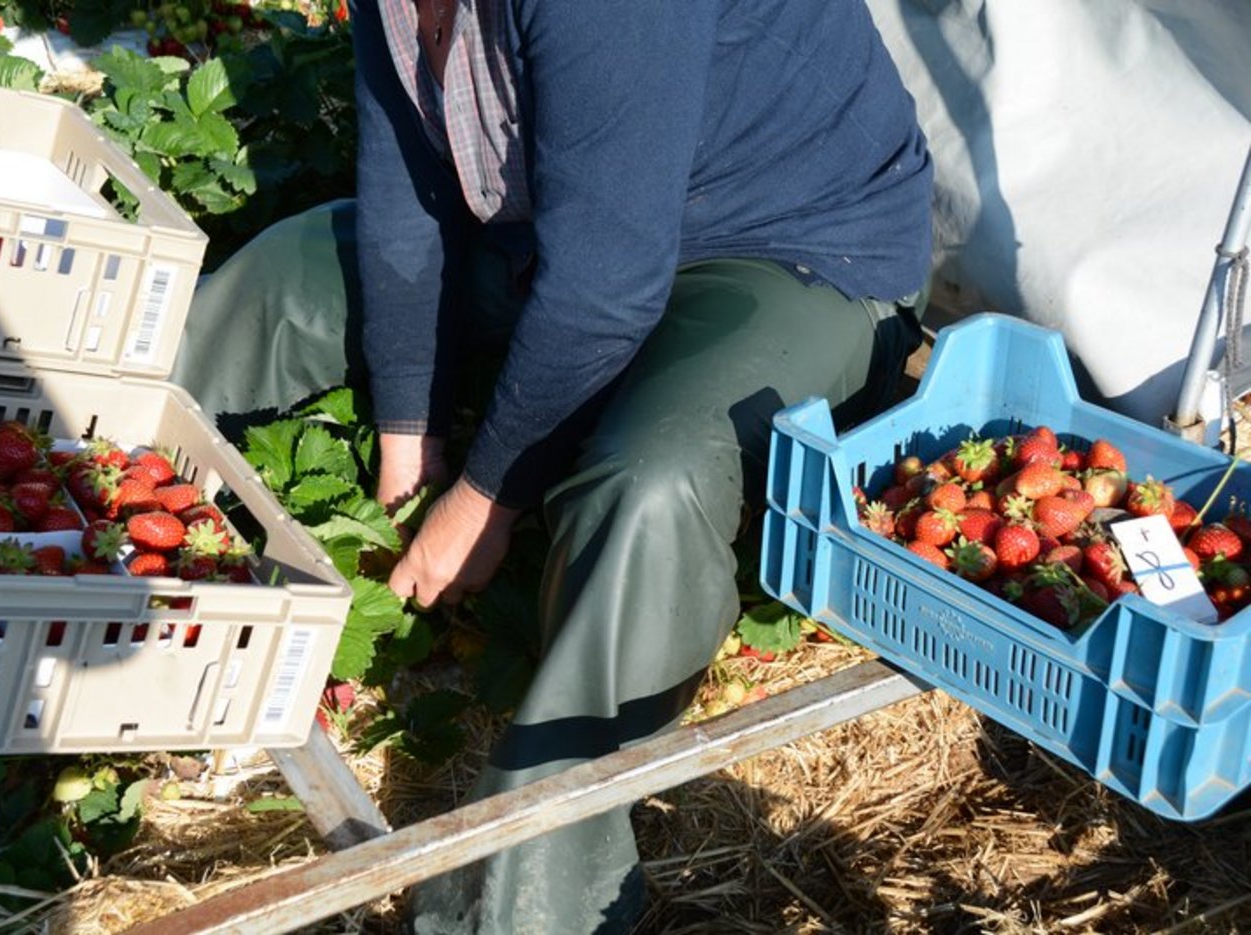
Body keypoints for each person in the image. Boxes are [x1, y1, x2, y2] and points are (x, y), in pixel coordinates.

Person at [172, 0, 933, 930]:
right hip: (569, 227)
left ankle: (525, 897)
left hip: (788, 248)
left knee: (651, 483)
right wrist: (412, 450)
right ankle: (119, 582)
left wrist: (485, 498)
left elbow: (606, 289)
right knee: (288, 273)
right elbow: (409, 193)